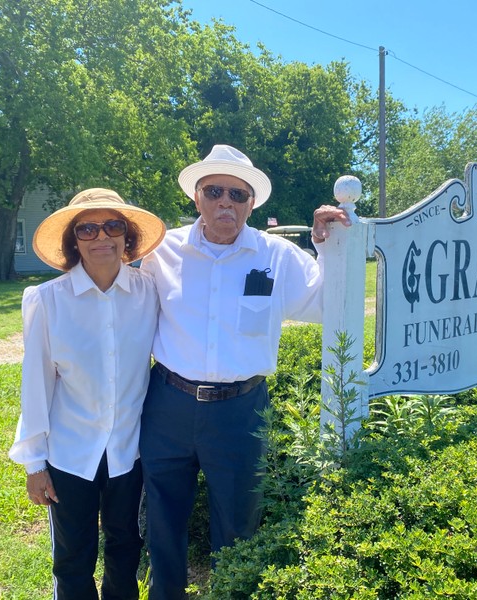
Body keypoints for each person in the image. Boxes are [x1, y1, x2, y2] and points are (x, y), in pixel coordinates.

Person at [139, 145, 350, 599]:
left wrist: (329, 246)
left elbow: (328, 304)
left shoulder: (277, 256)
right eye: (214, 191)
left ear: (251, 203)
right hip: (167, 405)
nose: (225, 202)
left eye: (238, 194)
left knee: (239, 528)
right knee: (162, 520)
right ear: (197, 196)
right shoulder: (162, 251)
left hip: (240, 410)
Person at [9, 188, 165, 600]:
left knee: (126, 547)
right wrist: (34, 463)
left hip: (128, 450)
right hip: (69, 453)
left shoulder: (148, 291)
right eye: (88, 228)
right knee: (74, 556)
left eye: (112, 226)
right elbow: (36, 383)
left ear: (127, 237)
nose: (102, 237)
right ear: (73, 240)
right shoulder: (47, 300)